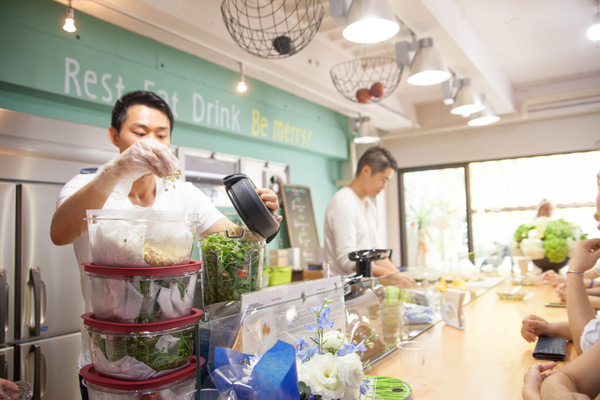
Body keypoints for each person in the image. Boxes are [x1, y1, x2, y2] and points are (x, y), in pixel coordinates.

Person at [50, 90, 281, 398]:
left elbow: (236, 242)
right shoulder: (87, 186)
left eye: (161, 135)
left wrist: (263, 218)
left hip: (173, 356)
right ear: (114, 136)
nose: (151, 144)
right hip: (110, 360)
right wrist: (117, 169)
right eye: (140, 133)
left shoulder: (184, 194)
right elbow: (60, 233)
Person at [324, 146, 415, 288]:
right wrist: (391, 276)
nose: (384, 187)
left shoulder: (370, 206)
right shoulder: (344, 204)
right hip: (342, 291)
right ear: (366, 171)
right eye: (383, 180)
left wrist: (401, 277)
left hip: (363, 288)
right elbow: (347, 260)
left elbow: (376, 252)